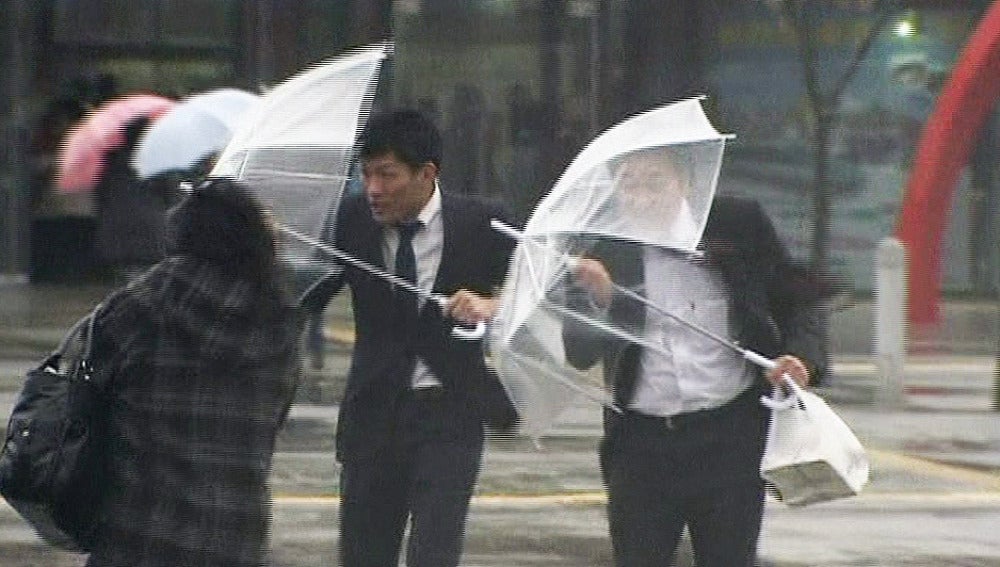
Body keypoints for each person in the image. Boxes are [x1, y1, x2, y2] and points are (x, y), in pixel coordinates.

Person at [564, 170, 832, 565]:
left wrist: (801, 358)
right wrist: (599, 302)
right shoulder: (604, 248)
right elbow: (580, 353)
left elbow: (798, 300)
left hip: (729, 438)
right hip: (642, 444)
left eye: (654, 182)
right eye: (629, 185)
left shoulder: (735, 224)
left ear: (686, 182)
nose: (640, 197)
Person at [302, 109, 518, 567]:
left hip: (448, 413)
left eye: (387, 175)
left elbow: (535, 294)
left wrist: (491, 307)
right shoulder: (352, 218)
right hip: (372, 415)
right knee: (364, 554)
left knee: (434, 555)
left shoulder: (482, 223)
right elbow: (309, 292)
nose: (374, 189)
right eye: (366, 175)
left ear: (427, 174)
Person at [85, 178, 301, 566]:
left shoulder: (141, 303)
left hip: (141, 531)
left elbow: (89, 391)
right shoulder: (278, 320)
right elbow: (276, 414)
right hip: (235, 536)